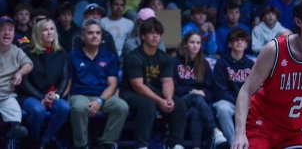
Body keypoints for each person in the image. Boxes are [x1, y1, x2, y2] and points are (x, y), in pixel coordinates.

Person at [231, 0, 302, 149]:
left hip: (294, 131)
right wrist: (240, 133)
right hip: (261, 125)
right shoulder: (274, 49)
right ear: (298, 22)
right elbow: (246, 90)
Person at [121, 17, 188, 149]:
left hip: (156, 92)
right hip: (131, 93)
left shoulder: (164, 57)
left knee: (179, 104)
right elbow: (138, 85)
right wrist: (159, 101)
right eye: (151, 33)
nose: (155, 36)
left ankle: (176, 144)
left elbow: (167, 81)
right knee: (147, 104)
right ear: (143, 36)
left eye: (158, 33)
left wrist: (168, 99)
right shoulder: (134, 57)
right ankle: (142, 145)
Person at [68, 19, 130, 149]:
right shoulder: (73, 56)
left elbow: (112, 84)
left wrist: (99, 101)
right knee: (79, 107)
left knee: (121, 106)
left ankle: (107, 143)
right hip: (80, 95)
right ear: (83, 36)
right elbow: (68, 82)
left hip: (103, 96)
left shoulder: (109, 56)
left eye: (98, 33)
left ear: (102, 36)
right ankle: (81, 145)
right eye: (90, 33)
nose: (95, 36)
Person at [21, 18, 70, 147]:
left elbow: (65, 78)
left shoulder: (61, 52)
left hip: (52, 95)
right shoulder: (27, 52)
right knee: (38, 110)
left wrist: (57, 95)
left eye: (52, 29)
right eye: (45, 30)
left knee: (64, 107)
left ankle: (45, 140)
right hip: (30, 95)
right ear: (38, 33)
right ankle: (33, 140)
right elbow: (24, 83)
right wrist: (41, 98)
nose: (49, 32)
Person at [174, 31, 221, 149]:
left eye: (198, 43)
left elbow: (210, 89)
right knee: (196, 97)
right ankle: (215, 130)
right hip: (180, 100)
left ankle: (196, 147)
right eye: (192, 42)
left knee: (195, 111)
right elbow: (173, 88)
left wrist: (203, 93)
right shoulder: (175, 62)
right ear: (185, 44)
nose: (195, 45)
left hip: (199, 102)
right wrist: (191, 91)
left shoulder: (204, 63)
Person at [212, 28, 254, 145]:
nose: (240, 42)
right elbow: (220, 89)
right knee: (223, 109)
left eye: (242, 40)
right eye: (236, 40)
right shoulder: (222, 63)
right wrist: (237, 101)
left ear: (246, 44)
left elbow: (255, 88)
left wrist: (246, 102)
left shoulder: (250, 64)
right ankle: (234, 143)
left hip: (246, 102)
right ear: (230, 44)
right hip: (228, 101)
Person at [0, 15, 33, 141]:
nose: (7, 33)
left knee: (15, 111)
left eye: (10, 30)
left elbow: (29, 64)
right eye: (2, 29)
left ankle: (15, 129)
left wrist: (20, 73)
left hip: (6, 95)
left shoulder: (16, 50)